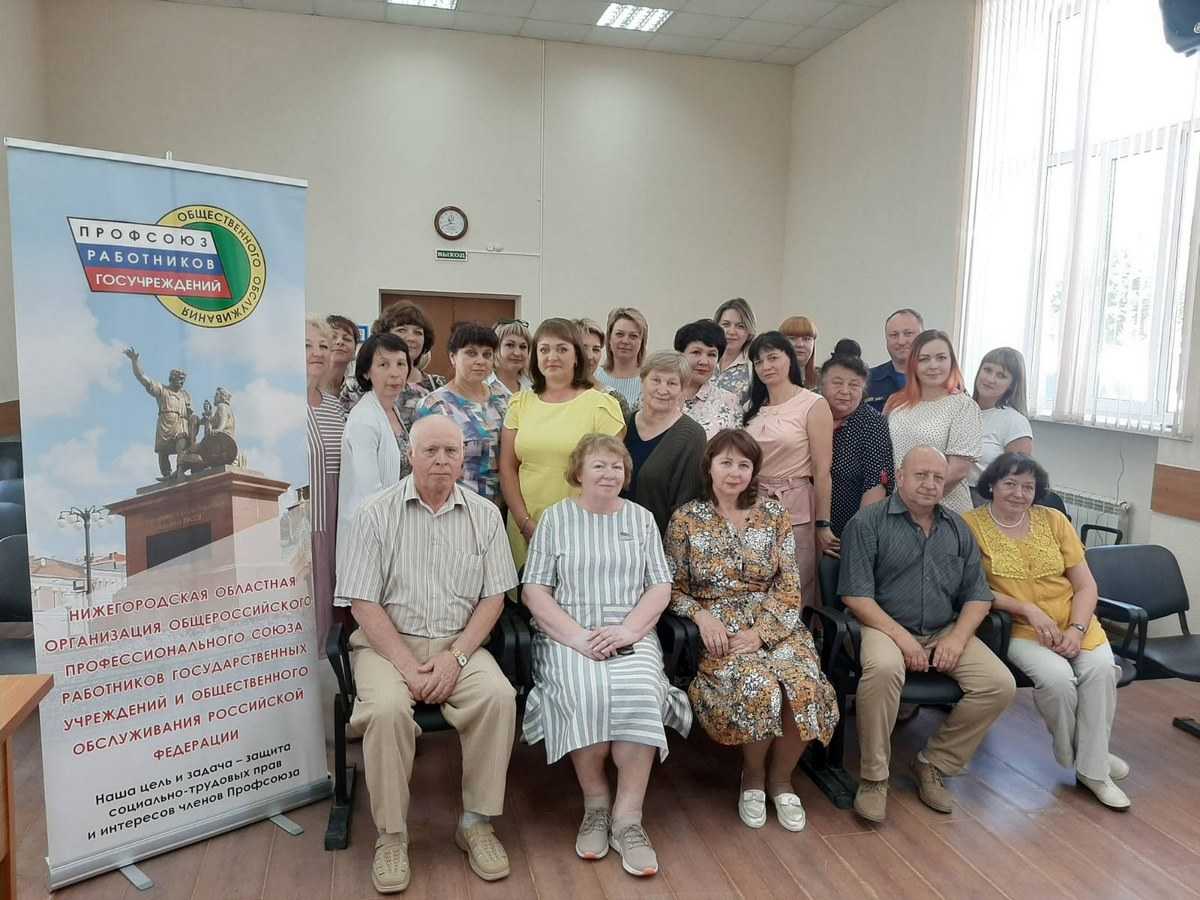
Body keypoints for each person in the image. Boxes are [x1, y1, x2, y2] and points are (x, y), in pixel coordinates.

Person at [335, 416, 519, 893]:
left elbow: (494, 598)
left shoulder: (484, 515)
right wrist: (407, 667)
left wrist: (456, 657)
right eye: (430, 451)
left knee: (498, 697)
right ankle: (392, 836)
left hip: (459, 644)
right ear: (410, 455)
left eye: (450, 452)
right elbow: (362, 603)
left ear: (463, 458)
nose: (441, 460)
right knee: (386, 710)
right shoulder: (374, 514)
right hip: (387, 645)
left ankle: (476, 823)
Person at [521, 434, 692, 878]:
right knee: (586, 689)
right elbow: (534, 590)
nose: (609, 474)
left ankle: (628, 819)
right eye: (599, 465)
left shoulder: (641, 519)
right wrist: (578, 638)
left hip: (629, 629)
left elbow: (660, 586)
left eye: (617, 467)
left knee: (639, 690)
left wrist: (630, 630)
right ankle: (596, 806)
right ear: (578, 472)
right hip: (567, 633)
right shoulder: (555, 519)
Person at [665, 430, 839, 832]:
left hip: (775, 622)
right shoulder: (686, 519)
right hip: (718, 627)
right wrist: (701, 617)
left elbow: (789, 584)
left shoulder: (774, 514)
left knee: (803, 684)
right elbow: (670, 587)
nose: (734, 472)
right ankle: (754, 776)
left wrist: (762, 633)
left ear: (753, 471)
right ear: (709, 467)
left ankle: (782, 779)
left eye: (744, 464)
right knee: (759, 685)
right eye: (725, 462)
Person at [838, 445, 1016, 822]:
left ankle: (933, 762)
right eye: (921, 475)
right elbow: (856, 596)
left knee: (999, 684)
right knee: (884, 669)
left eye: (937, 477)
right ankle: (874, 778)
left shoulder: (958, 528)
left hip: (942, 628)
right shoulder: (867, 523)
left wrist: (957, 638)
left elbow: (978, 596)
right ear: (900, 477)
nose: (930, 484)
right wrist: (903, 639)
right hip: (882, 625)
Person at [964, 453, 1128, 809]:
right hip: (1021, 629)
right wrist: (1026, 608)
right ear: (991, 485)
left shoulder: (1053, 520)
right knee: (1057, 681)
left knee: (1101, 670)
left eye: (1028, 487)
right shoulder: (970, 525)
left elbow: (1086, 585)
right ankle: (1089, 756)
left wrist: (1078, 629)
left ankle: (1093, 771)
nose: (1019, 493)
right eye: (1010, 483)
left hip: (1076, 621)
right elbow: (972, 589)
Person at [499, 318, 625, 568]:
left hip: (581, 531)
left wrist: (576, 527)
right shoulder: (520, 403)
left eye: (562, 349)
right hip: (525, 527)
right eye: (544, 349)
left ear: (576, 356)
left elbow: (609, 476)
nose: (552, 356)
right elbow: (507, 467)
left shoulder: (601, 406)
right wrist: (525, 523)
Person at [742, 332, 834, 605]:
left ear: (789, 359)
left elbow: (822, 471)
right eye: (758, 362)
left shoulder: (813, 404)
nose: (766, 366)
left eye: (773, 358)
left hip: (795, 502)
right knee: (755, 582)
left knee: (795, 582)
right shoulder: (753, 407)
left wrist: (823, 524)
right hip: (754, 502)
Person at [884, 330, 981, 516]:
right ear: (913, 364)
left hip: (945, 512)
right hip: (898, 507)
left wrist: (916, 504)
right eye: (924, 359)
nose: (933, 365)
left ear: (951, 362)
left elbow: (958, 470)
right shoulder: (896, 403)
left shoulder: (963, 406)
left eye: (941, 358)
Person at [416, 322, 508, 505]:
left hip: (502, 506)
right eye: (471, 353)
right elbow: (424, 463)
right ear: (453, 357)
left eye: (487, 354)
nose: (480, 361)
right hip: (455, 504)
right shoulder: (434, 405)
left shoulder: (503, 398)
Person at [337, 333, 413, 553]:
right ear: (366, 372)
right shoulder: (364, 418)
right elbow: (371, 492)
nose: (394, 373)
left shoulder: (392, 410)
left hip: (398, 530)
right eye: (383, 365)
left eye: (400, 364)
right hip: (372, 535)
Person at [622, 352, 705, 535]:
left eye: (672, 383)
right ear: (642, 381)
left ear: (683, 389)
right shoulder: (622, 425)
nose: (662, 389)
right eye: (656, 380)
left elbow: (686, 504)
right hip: (612, 536)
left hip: (658, 540)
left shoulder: (692, 436)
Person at [819, 352, 894, 543]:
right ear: (822, 385)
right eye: (837, 383)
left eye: (854, 385)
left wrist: (858, 534)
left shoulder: (872, 423)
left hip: (850, 527)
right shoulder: (809, 414)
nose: (845, 391)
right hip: (804, 519)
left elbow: (876, 482)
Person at [306, 316, 346, 643]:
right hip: (303, 531)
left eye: (323, 346)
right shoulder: (280, 403)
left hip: (337, 527)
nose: (317, 352)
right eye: (306, 345)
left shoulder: (335, 407)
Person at [123, 347, 193, 479]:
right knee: (163, 451)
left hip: (182, 424)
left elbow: (191, 414)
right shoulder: (162, 389)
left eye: (183, 380)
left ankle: (180, 470)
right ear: (172, 378)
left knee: (182, 445)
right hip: (165, 424)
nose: (182, 382)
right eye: (180, 379)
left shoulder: (185, 395)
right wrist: (135, 361)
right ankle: (167, 475)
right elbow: (143, 378)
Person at [970, 347, 1033, 491]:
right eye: (987, 370)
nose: (990, 379)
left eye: (1001, 375)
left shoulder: (1015, 422)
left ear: (1011, 386)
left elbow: (1017, 479)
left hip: (985, 497)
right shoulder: (961, 410)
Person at [374, 302, 443, 426]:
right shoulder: (363, 384)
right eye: (401, 330)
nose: (411, 338)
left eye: (418, 332)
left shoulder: (438, 385)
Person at [674, 319, 741, 438]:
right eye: (696, 352)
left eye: (711, 354)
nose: (704, 361)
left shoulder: (729, 402)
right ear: (680, 355)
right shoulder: (660, 393)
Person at [866, 308, 923, 412]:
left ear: (922, 337)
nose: (901, 341)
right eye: (894, 335)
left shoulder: (938, 379)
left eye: (908, 333)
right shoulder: (867, 380)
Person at [575, 318, 631, 416]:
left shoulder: (614, 399)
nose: (590, 356)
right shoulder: (551, 394)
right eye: (583, 348)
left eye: (596, 349)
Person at [594, 307, 649, 409]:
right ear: (609, 338)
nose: (625, 341)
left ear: (642, 342)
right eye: (619, 334)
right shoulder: (594, 377)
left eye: (633, 336)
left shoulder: (649, 381)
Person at [714, 298, 756, 398]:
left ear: (749, 332)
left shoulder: (754, 366)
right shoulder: (704, 360)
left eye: (740, 326)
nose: (732, 332)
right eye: (726, 325)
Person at [323, 314, 361, 411]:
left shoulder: (358, 391)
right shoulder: (306, 387)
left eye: (346, 339)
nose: (340, 342)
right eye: (333, 337)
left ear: (354, 352)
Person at [489, 318, 533, 397]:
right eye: (510, 345)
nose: (517, 353)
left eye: (522, 347)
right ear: (495, 348)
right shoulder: (481, 385)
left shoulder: (533, 388)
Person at [779, 316, 819, 389]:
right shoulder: (771, 377)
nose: (800, 344)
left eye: (806, 339)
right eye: (792, 338)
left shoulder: (824, 378)